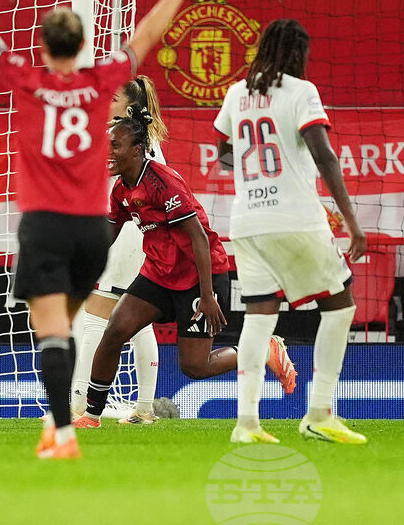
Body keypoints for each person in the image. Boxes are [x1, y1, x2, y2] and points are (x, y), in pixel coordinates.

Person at [0, 0, 202, 459]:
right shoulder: (102, 85)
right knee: (76, 321)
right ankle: (74, 420)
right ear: (82, 47)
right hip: (92, 231)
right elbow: (145, 37)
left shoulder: (26, 81)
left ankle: (63, 432)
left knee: (54, 331)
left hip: (44, 227)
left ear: (41, 46)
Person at [72, 106, 295, 429]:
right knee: (115, 332)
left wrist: (207, 295)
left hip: (197, 276)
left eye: (115, 147)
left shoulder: (163, 182)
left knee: (195, 367)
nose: (108, 154)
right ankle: (91, 416)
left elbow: (199, 239)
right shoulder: (122, 190)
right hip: (159, 274)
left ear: (137, 150)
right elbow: (109, 234)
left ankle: (263, 349)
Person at [214, 18, 368, 444]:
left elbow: (223, 152)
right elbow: (325, 156)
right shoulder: (303, 92)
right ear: (298, 53)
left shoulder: (236, 93)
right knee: (340, 304)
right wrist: (352, 223)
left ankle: (246, 424)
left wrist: (256, 169)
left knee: (260, 315)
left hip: (246, 222)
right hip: (293, 218)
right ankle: (319, 412)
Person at [71, 76, 166, 425]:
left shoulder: (118, 136)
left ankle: (79, 405)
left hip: (125, 232)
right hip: (145, 233)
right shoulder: (148, 136)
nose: (106, 103)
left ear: (128, 107)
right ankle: (144, 409)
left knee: (96, 314)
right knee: (139, 322)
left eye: (112, 98)